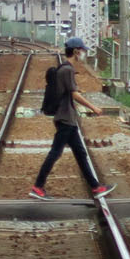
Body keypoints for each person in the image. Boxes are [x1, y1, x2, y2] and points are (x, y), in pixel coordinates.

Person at [30, 38, 112, 200]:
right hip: (65, 118)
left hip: (68, 118)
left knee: (80, 153)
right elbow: (74, 94)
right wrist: (93, 107)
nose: (84, 53)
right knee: (55, 152)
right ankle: (37, 187)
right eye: (82, 50)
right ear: (75, 51)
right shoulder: (67, 70)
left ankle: (96, 187)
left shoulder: (65, 68)